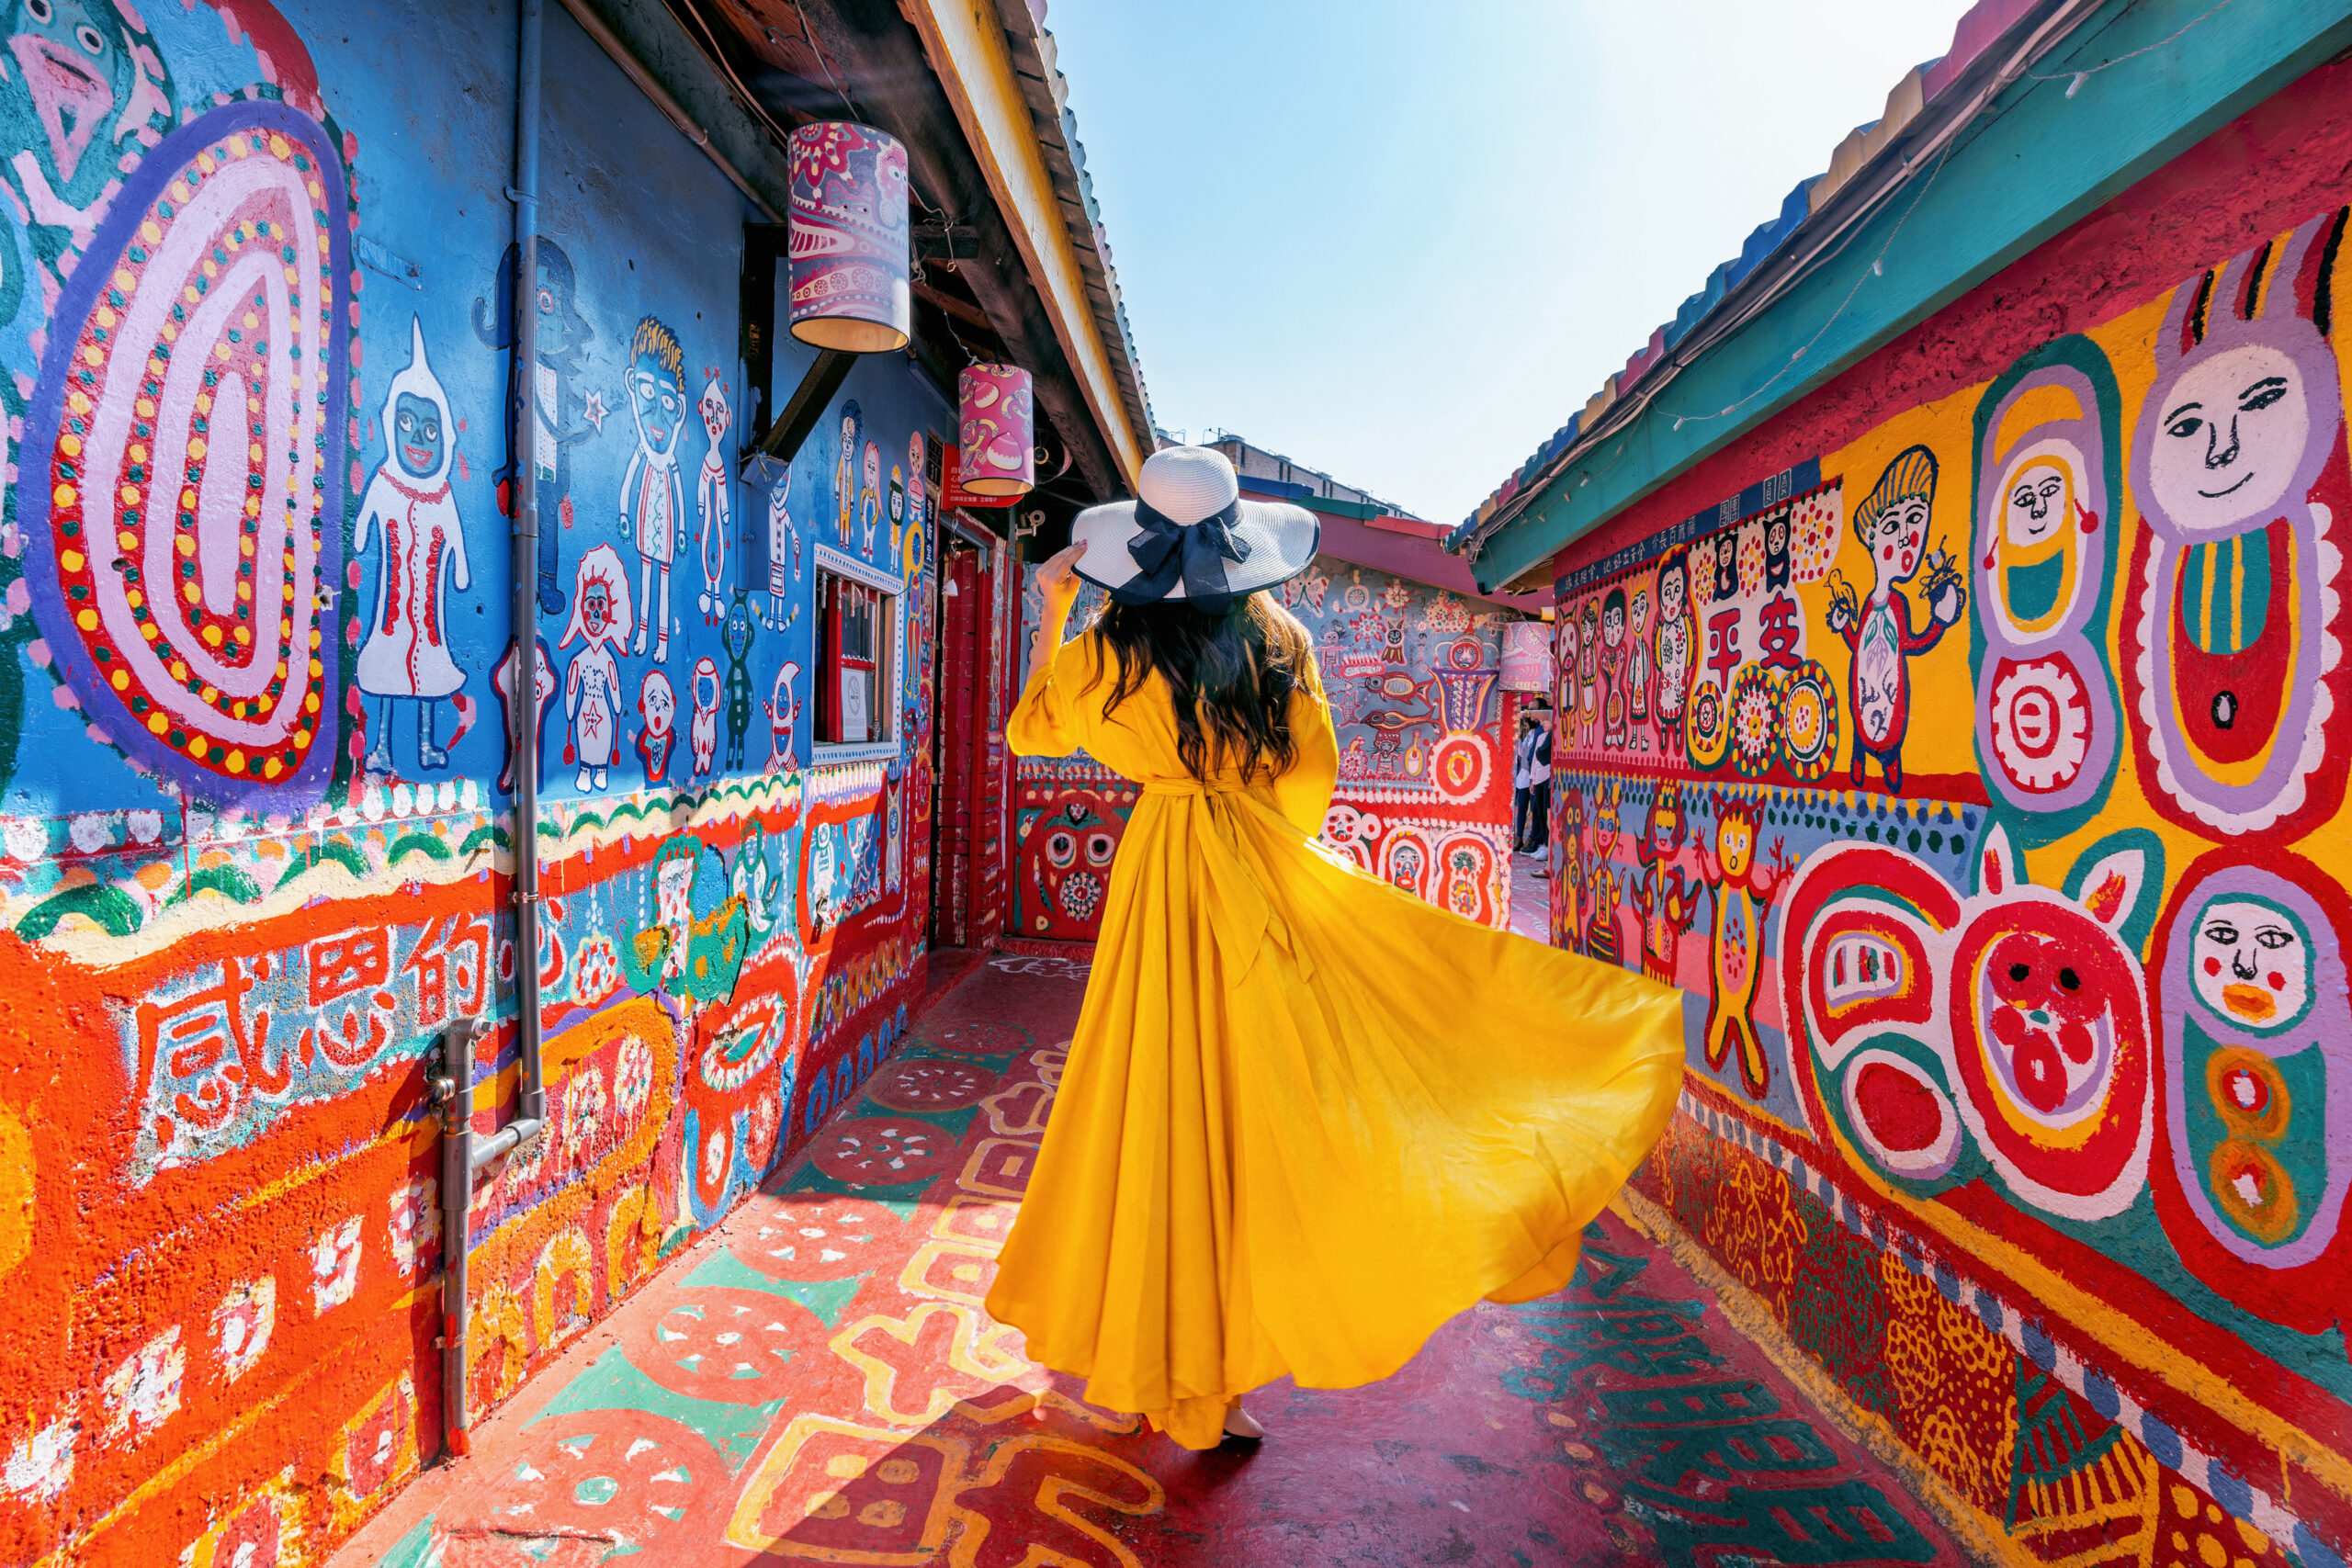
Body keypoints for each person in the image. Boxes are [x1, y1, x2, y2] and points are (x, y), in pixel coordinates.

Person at [984, 446, 1685, 1450]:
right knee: (1247, 1118)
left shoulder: (1107, 649)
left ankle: (1147, 1355)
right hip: (1255, 875)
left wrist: (1056, 607)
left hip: (1156, 882)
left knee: (1152, 1106)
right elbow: (1308, 783)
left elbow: (1028, 733)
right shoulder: (1278, 641)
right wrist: (1270, 851)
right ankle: (1210, 1387)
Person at [1511, 708, 1553, 863]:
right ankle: (1538, 843)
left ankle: (1544, 844)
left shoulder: (1547, 734)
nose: (1543, 724)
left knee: (1544, 813)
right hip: (1534, 777)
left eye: (1545, 721)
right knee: (1538, 811)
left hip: (1546, 776)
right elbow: (1534, 758)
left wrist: (1526, 714)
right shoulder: (1539, 735)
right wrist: (1532, 779)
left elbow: (1541, 756)